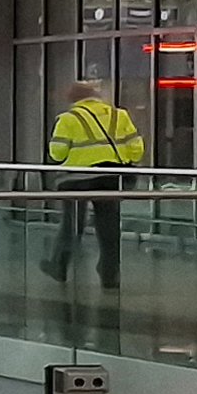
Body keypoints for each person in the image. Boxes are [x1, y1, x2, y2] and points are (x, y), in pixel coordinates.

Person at [45, 77, 144, 290]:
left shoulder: (68, 119)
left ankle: (59, 266)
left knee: (72, 224)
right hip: (109, 178)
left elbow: (57, 153)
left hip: (76, 180)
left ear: (73, 99)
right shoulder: (120, 116)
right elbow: (137, 149)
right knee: (109, 226)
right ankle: (110, 273)